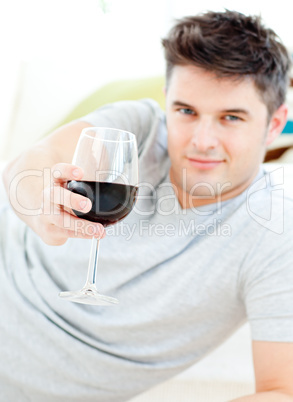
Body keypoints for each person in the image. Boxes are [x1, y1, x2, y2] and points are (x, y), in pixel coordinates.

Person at [1, 9, 293, 402]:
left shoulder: (276, 235)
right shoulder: (137, 129)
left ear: (275, 124)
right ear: (167, 102)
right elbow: (32, 162)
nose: (203, 140)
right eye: (186, 111)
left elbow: (282, 391)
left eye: (231, 117)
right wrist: (39, 207)